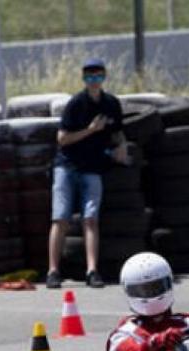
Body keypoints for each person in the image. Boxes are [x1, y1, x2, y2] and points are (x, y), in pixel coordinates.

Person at [46, 57, 128, 290]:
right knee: (61, 218)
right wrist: (90, 130)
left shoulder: (111, 103)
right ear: (84, 78)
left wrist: (122, 147)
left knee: (91, 219)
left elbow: (117, 132)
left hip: (93, 168)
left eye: (98, 75)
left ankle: (92, 270)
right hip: (67, 166)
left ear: (104, 77)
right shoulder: (76, 104)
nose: (94, 80)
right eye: (90, 76)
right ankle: (53, 270)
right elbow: (62, 139)